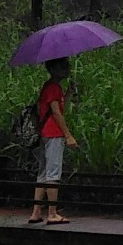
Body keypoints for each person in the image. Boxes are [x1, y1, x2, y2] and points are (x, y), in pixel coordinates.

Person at [27, 58, 77, 225]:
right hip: (54, 133)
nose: (67, 69)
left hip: (45, 133)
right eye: (63, 66)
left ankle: (35, 212)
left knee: (43, 173)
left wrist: (68, 93)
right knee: (53, 173)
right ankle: (52, 212)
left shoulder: (51, 87)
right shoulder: (53, 87)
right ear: (54, 69)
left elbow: (57, 108)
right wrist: (68, 135)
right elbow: (56, 114)